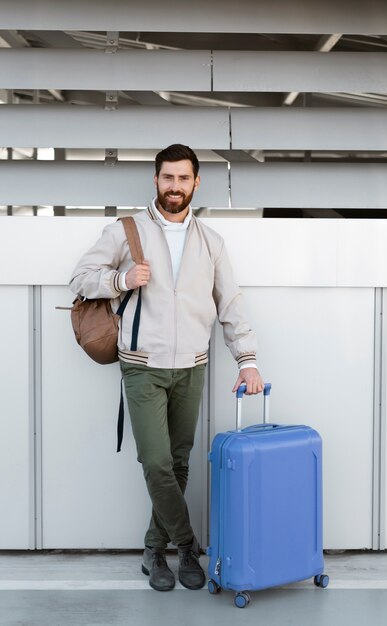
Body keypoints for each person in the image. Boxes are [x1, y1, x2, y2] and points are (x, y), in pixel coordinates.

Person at [69, 144, 264, 592]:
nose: (174, 186)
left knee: (178, 464)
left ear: (197, 183)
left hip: (191, 367)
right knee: (156, 462)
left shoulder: (211, 243)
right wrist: (120, 280)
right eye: (167, 178)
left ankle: (154, 551)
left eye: (183, 178)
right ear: (155, 181)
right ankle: (187, 547)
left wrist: (247, 360)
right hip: (142, 366)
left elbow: (230, 304)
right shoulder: (127, 230)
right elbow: (81, 278)